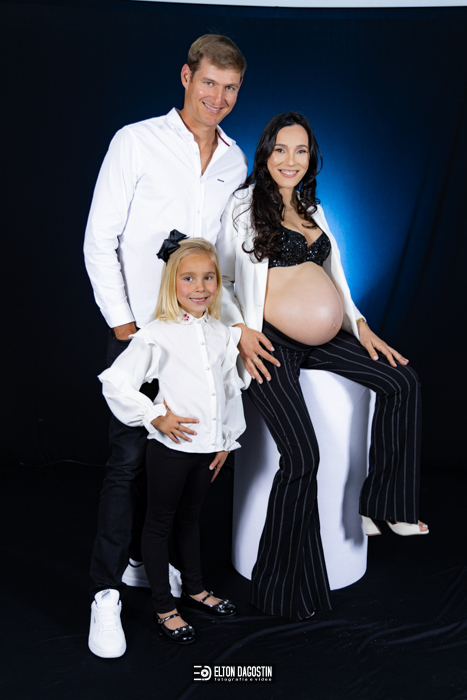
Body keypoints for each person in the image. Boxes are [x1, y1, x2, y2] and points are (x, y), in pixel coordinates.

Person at [216, 111, 428, 622]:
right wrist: (238, 329)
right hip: (269, 343)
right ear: (266, 154)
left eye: (301, 150)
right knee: (303, 456)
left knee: (402, 380)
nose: (290, 160)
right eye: (280, 149)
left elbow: (338, 281)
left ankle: (385, 507)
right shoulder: (244, 206)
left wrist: (361, 326)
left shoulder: (315, 209)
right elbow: (223, 278)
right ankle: (282, 586)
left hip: (326, 340)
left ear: (311, 158)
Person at [83, 34, 247, 657]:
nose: (218, 98)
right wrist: (125, 327)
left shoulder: (235, 162)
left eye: (230, 88)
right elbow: (100, 239)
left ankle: (146, 563)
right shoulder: (135, 141)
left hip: (199, 340)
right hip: (142, 334)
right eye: (209, 83)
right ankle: (105, 595)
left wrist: (231, 330)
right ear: (186, 76)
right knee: (127, 461)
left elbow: (226, 261)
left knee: (182, 462)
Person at [93, 237, 244, 648]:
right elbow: (116, 382)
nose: (200, 286)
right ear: (171, 283)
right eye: (189, 278)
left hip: (207, 451)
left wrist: (226, 440)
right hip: (171, 450)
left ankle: (195, 589)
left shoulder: (221, 334)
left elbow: (229, 390)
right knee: (159, 523)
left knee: (190, 519)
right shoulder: (156, 334)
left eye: (209, 277)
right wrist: (154, 415)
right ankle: (164, 607)